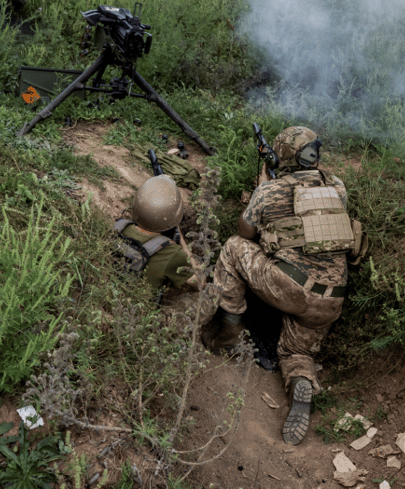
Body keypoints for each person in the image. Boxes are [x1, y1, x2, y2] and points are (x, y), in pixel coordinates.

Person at [202, 126, 362, 445]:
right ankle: (301, 378)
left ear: (283, 157)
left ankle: (228, 331)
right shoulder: (337, 186)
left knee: (233, 247)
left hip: (290, 288)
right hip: (331, 298)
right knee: (294, 349)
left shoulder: (269, 192)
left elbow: (246, 234)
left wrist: (264, 187)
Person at [114, 174, 202, 294]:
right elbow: (198, 284)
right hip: (140, 307)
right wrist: (185, 248)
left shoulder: (120, 227)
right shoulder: (174, 253)